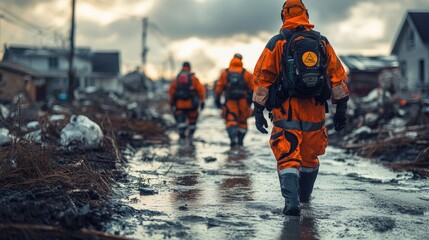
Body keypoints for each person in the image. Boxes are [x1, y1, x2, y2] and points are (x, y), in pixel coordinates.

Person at [252, 0, 349, 216]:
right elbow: (337, 77)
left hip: (286, 109)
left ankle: (292, 202)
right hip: (315, 110)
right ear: (306, 14)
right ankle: (304, 198)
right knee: (309, 157)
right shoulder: (321, 42)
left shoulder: (277, 42)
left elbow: (263, 78)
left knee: (288, 155)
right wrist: (341, 109)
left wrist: (258, 111)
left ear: (283, 15)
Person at [214, 53, 254, 147]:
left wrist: (217, 100)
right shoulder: (246, 73)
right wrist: (250, 102)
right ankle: (240, 141)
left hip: (230, 101)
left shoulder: (225, 73)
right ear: (241, 60)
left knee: (231, 120)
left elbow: (219, 88)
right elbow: (253, 88)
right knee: (243, 122)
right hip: (243, 101)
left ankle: (233, 139)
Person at [169, 62, 206, 142]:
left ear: (182, 67)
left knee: (181, 122)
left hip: (179, 105)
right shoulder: (194, 79)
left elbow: (171, 91)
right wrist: (202, 101)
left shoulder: (177, 79)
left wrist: (172, 102)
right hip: (192, 105)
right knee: (192, 122)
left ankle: (182, 138)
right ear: (190, 67)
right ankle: (190, 137)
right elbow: (201, 91)